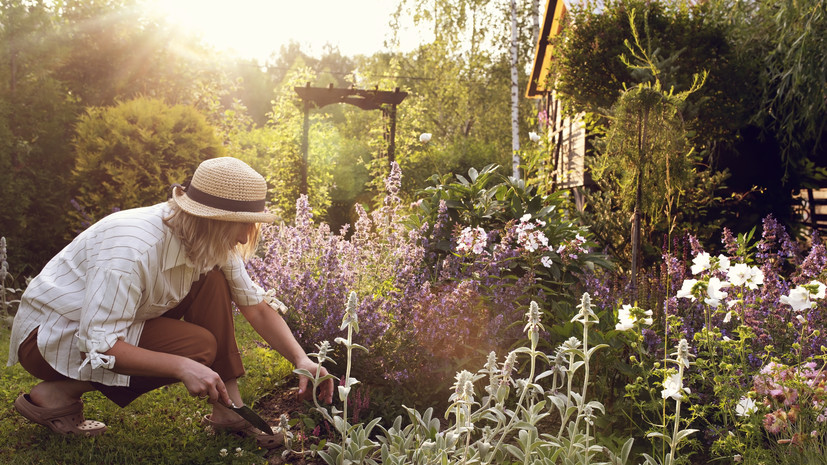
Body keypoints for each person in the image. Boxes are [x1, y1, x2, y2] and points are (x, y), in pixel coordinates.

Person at [6, 157, 333, 445]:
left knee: (215, 281)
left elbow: (255, 306)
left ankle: (229, 410)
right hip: (50, 337)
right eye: (243, 224)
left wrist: (301, 359)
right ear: (212, 219)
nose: (246, 237)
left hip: (107, 324)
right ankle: (60, 392)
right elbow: (100, 343)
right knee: (198, 348)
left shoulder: (205, 238)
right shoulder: (133, 249)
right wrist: (182, 366)